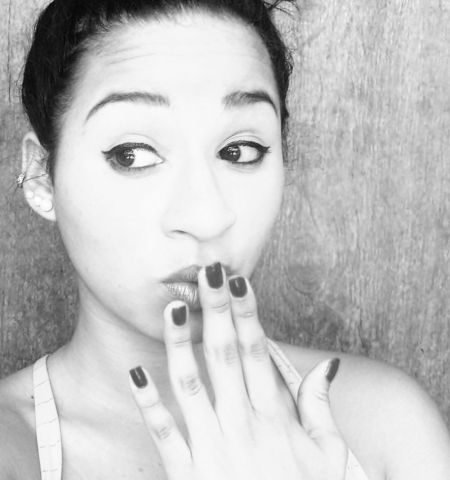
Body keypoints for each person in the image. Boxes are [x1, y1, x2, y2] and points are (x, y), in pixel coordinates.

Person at [1, 0, 449, 478]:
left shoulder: (387, 427)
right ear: (41, 176)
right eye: (132, 154)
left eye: (239, 151)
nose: (207, 216)